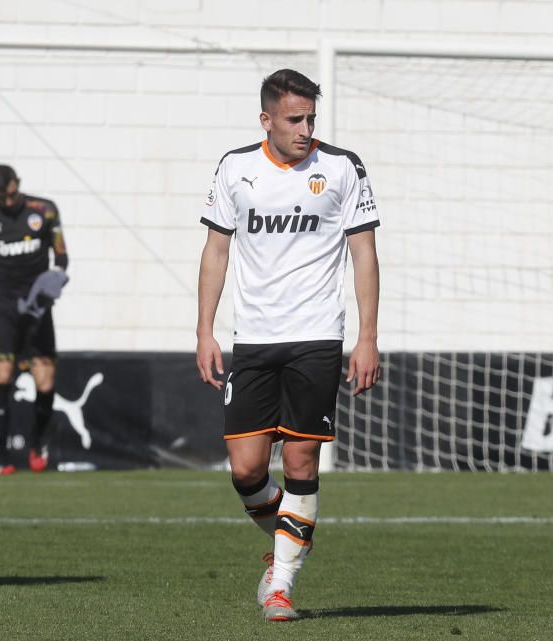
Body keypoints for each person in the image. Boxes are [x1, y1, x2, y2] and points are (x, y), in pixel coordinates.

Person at [195, 69, 381, 622]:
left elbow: (364, 254)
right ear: (266, 120)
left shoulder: (343, 168)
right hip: (252, 339)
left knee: (301, 457)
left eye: (311, 119)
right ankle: (291, 533)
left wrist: (366, 337)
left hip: (318, 338)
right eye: (294, 119)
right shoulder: (235, 168)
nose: (305, 129)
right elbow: (215, 252)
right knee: (246, 470)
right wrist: (204, 330)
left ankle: (280, 583)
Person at [0, 165, 69, 475]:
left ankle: (37, 447)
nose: (7, 201)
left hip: (38, 308)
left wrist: (52, 285)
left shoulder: (44, 211)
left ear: (17, 184)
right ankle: (3, 458)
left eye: (9, 193)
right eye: (0, 196)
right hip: (3, 308)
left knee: (45, 382)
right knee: (2, 377)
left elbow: (61, 258)